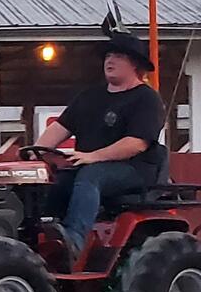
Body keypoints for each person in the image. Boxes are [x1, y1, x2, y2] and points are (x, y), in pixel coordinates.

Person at [35, 30, 165, 260]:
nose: (110, 61)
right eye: (108, 56)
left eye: (118, 56)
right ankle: (40, 235)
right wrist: (36, 152)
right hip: (89, 165)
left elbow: (136, 143)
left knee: (91, 175)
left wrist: (92, 156)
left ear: (135, 63)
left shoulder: (146, 99)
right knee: (55, 181)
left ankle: (75, 240)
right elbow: (59, 128)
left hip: (134, 170)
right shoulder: (90, 97)